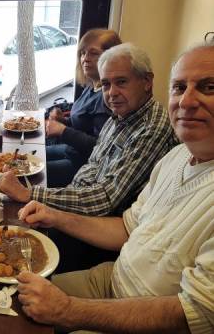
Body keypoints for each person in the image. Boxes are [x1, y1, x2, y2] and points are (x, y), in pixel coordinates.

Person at [15, 43, 214, 334]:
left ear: (147, 82)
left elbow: (193, 314)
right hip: (112, 278)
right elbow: (126, 229)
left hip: (145, 318)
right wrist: (53, 215)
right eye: (179, 87)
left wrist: (68, 311)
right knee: (8, 295)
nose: (186, 102)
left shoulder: (153, 130)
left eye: (208, 87)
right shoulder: (177, 156)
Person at [0, 43, 177, 271]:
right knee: (10, 228)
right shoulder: (120, 116)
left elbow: (105, 200)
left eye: (121, 82)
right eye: (106, 84)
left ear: (147, 81)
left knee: (17, 257)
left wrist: (30, 193)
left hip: (103, 236)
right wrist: (58, 198)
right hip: (82, 211)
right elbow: (93, 166)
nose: (111, 93)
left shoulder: (152, 128)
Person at [46, 29, 121, 187]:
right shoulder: (92, 86)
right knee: (28, 156)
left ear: (111, 57)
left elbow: (99, 147)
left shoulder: (108, 99)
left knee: (30, 173)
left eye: (93, 53)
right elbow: (83, 125)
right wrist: (63, 121)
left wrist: (62, 130)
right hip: (71, 151)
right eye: (82, 53)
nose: (85, 59)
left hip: (82, 166)